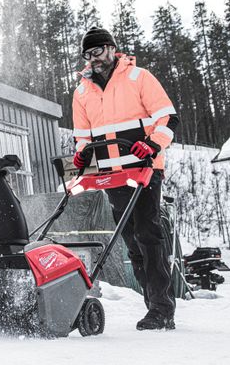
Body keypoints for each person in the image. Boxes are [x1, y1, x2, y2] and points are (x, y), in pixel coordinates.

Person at [72, 27, 180, 330]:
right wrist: (81, 156)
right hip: (112, 176)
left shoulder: (138, 77)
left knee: (148, 235)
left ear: (111, 48)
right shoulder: (82, 92)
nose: (93, 58)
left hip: (144, 169)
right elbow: (83, 137)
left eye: (97, 51)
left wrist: (153, 144)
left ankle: (162, 309)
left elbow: (168, 118)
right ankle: (153, 306)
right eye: (87, 54)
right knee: (132, 242)